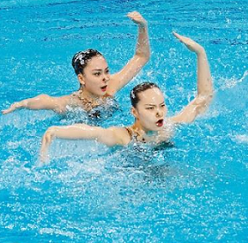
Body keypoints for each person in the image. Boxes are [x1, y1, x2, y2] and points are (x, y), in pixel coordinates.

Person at [40, 32, 213, 162]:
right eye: (150, 108)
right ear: (134, 112)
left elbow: (202, 99)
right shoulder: (124, 137)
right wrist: (55, 131)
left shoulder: (167, 128)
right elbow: (94, 132)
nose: (159, 113)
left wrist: (201, 53)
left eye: (162, 106)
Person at [2, 11, 150, 116]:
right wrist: (21, 104)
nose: (105, 77)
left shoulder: (111, 86)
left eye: (106, 71)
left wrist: (143, 26)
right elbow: (46, 100)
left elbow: (141, 57)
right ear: (81, 78)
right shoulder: (73, 103)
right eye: (97, 74)